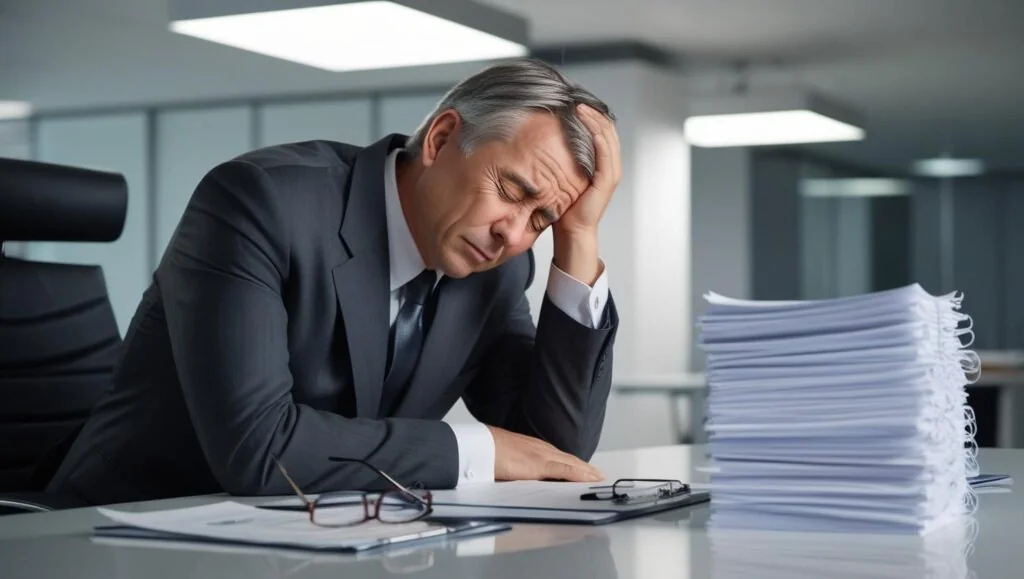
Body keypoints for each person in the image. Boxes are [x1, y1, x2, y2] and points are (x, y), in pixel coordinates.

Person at [47, 58, 621, 505]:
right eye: (513, 192)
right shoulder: (261, 203)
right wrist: (478, 447)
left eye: (540, 221)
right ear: (442, 139)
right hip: (123, 533)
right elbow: (260, 449)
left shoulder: (496, 272)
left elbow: (553, 455)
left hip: (319, 544)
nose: (513, 234)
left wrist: (579, 238)